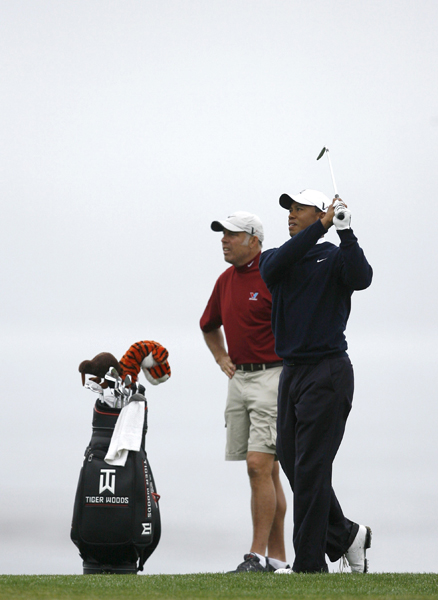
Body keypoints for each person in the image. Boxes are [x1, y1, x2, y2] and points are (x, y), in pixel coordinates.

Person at [259, 190, 373, 574]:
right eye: (288, 210)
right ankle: (345, 535)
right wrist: (321, 225)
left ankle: (309, 567)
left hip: (328, 371)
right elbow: (273, 268)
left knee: (311, 468)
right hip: (292, 373)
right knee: (294, 463)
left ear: (320, 211)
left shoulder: (336, 257)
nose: (290, 215)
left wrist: (345, 231)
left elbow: (362, 277)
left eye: (298, 209)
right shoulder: (278, 258)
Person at [200, 211, 289, 573]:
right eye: (222, 234)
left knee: (258, 465)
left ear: (254, 240)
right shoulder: (225, 280)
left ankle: (254, 556)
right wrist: (221, 357)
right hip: (239, 380)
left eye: (232, 234)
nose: (224, 239)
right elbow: (208, 325)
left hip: (273, 376)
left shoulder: (273, 273)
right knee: (265, 471)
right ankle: (280, 562)